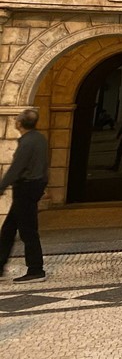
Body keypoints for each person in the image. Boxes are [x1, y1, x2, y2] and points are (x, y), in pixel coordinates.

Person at [0, 109, 49, 282]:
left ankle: (36, 269)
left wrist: (1, 186)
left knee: (28, 231)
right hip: (33, 187)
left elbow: (16, 168)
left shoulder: (27, 142)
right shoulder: (40, 139)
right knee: (8, 229)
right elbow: (44, 166)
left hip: (25, 188)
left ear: (19, 123)